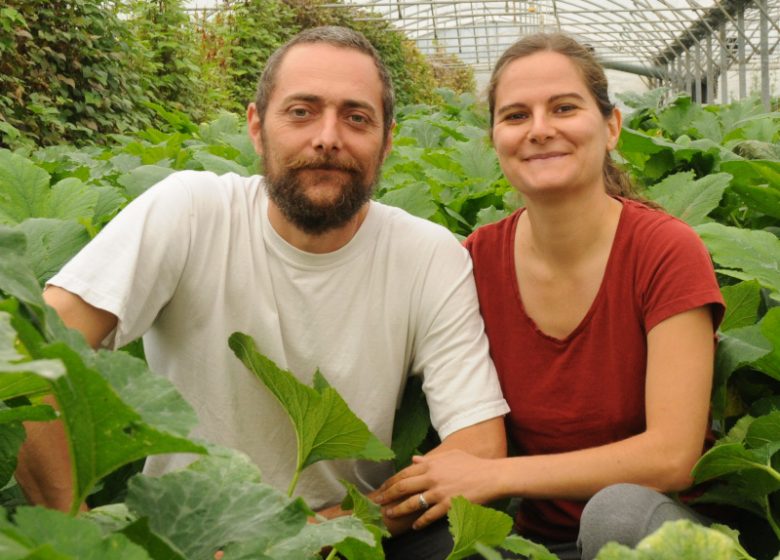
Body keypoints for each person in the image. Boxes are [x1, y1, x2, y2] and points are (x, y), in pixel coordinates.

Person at [15, 26, 509, 559]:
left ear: (388, 140)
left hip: (348, 540)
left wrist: (312, 535)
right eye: (301, 111)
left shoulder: (429, 255)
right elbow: (28, 352)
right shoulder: (190, 211)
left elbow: (478, 450)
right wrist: (85, 541)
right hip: (188, 542)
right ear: (257, 126)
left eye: (356, 117)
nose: (327, 136)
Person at [377, 33, 725, 560]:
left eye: (564, 108)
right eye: (516, 116)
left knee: (618, 512)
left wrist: (492, 475)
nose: (540, 130)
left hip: (658, 533)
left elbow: (672, 457)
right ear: (494, 138)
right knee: (431, 546)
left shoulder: (665, 251)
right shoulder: (473, 260)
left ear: (611, 127)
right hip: (539, 544)